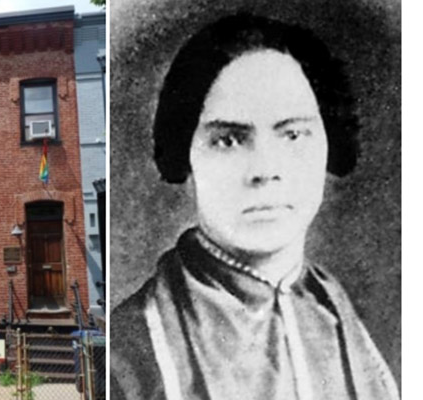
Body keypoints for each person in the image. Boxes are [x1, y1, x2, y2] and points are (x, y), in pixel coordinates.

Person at [111, 13, 399, 400]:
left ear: (328, 142)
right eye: (229, 140)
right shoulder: (127, 354)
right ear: (187, 152)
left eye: (293, 134)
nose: (265, 170)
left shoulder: (335, 313)